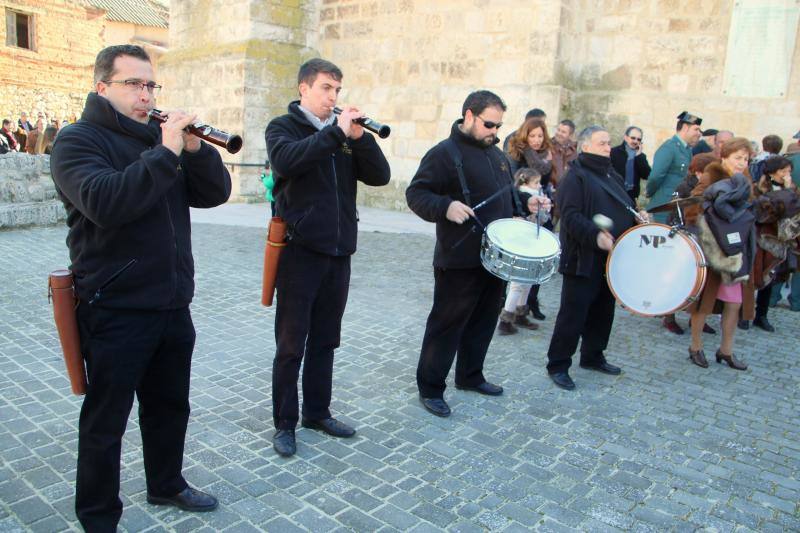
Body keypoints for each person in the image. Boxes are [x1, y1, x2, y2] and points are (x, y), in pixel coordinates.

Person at [50, 44, 230, 531]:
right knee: (107, 420)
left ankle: (166, 483)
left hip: (172, 302)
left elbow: (214, 195)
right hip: (116, 308)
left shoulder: (161, 137)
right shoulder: (77, 141)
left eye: (151, 85)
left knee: (170, 406)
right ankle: (98, 515)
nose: (145, 95)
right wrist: (166, 149)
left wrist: (194, 149)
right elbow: (106, 202)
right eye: (134, 84)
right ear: (102, 87)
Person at [265, 58, 391, 457]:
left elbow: (380, 176)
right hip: (300, 252)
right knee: (291, 344)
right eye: (325, 88)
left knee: (326, 340)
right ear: (304, 88)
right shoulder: (282, 128)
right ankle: (285, 423)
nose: (333, 96)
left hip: (339, 252)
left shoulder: (344, 137)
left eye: (337, 90)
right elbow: (287, 162)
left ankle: (317, 412)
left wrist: (360, 137)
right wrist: (334, 135)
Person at [406, 90, 549, 417]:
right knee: (446, 324)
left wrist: (525, 203)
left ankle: (470, 376)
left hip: (494, 258)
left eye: (498, 126)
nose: (494, 132)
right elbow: (416, 194)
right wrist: (445, 205)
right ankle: (430, 387)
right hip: (458, 258)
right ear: (469, 116)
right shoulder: (443, 153)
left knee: (484, 320)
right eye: (488, 124)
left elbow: (505, 193)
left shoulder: (496, 155)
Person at [545, 126, 649, 390]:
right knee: (573, 314)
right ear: (585, 146)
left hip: (610, 258)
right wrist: (595, 235)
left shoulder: (609, 173)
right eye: (602, 143)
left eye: (608, 142)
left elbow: (625, 204)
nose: (607, 147)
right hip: (583, 258)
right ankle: (558, 364)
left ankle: (593, 356)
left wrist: (638, 216)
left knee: (603, 311)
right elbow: (569, 217)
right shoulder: (575, 177)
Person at [683, 138, 756, 371]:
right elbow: (691, 207)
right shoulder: (710, 177)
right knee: (703, 304)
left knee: (734, 303)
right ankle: (695, 346)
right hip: (711, 250)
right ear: (724, 157)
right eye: (738, 158)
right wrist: (710, 225)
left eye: (746, 159)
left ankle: (726, 351)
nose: (742, 163)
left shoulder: (745, 180)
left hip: (736, 252)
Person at [646, 111, 702, 334]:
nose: (698, 133)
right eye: (696, 129)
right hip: (664, 209)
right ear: (685, 127)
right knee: (665, 261)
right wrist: (652, 199)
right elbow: (655, 177)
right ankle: (663, 308)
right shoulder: (670, 148)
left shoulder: (687, 151)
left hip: (681, 208)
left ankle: (667, 305)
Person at [506, 117, 557, 320]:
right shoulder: (516, 153)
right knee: (518, 273)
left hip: (541, 213)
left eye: (540, 135)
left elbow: (548, 180)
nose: (536, 140)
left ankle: (525, 308)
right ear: (525, 135)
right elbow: (512, 186)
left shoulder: (546, 155)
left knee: (534, 269)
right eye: (532, 135)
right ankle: (507, 311)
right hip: (521, 215)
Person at [743, 156, 799, 331]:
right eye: (783, 171)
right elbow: (761, 211)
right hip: (760, 238)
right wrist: (787, 193)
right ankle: (744, 315)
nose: (786, 174)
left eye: (789, 171)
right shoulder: (758, 188)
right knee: (753, 277)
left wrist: (790, 190)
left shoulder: (792, 190)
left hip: (780, 241)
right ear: (771, 172)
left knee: (771, 279)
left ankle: (761, 316)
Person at [496, 168, 547, 334]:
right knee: (518, 283)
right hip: (521, 245)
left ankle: (520, 314)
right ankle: (506, 319)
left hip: (532, 244)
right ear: (526, 183)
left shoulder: (535, 196)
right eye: (536, 182)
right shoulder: (519, 197)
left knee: (528, 281)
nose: (539, 185)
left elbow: (544, 220)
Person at [610, 126, 651, 205]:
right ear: (625, 137)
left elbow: (646, 175)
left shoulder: (641, 156)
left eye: (639, 139)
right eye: (633, 138)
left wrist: (639, 156)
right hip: (615, 194)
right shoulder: (613, 152)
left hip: (631, 197)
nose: (635, 141)